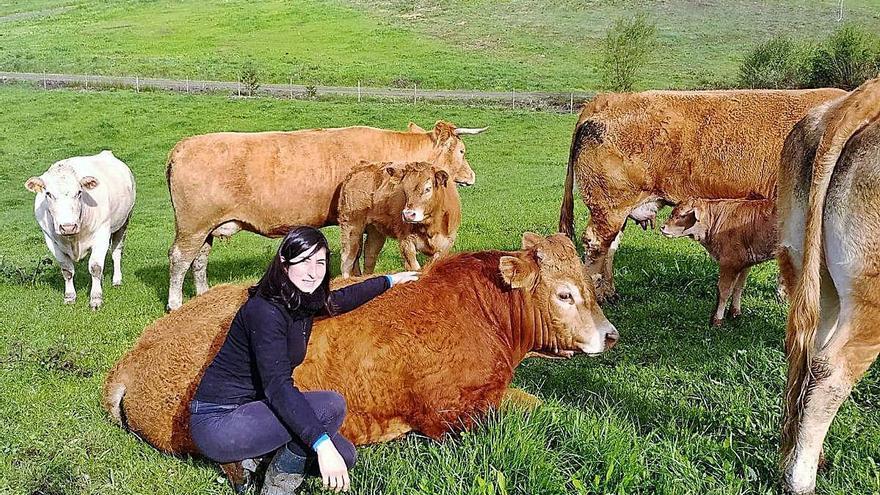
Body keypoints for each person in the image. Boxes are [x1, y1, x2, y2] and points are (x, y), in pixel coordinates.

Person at [189, 226, 418, 494]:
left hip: (252, 411)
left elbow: (340, 300)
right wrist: (321, 445)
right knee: (330, 407)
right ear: (284, 264)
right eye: (304, 261)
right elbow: (278, 387)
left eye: (320, 261)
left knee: (345, 456)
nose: (313, 271)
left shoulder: (299, 299)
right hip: (218, 423)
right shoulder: (265, 312)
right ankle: (278, 484)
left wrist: (389, 280)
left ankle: (252, 459)